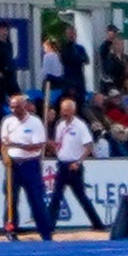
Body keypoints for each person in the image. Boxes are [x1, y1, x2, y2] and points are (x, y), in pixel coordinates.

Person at [0, 89, 53, 239]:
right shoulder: (7, 121)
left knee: (36, 199)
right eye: (12, 107)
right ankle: (11, 229)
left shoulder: (35, 122)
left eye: (18, 107)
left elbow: (37, 145)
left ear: (25, 106)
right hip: (13, 165)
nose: (14, 110)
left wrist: (15, 145)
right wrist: (5, 156)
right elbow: (4, 143)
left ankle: (45, 232)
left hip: (30, 164)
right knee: (11, 199)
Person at [48, 93, 99, 235]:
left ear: (73, 110)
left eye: (66, 110)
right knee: (56, 196)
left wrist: (79, 162)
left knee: (82, 197)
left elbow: (89, 146)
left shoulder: (80, 125)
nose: (63, 113)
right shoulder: (60, 125)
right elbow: (58, 145)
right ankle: (49, 226)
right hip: (62, 164)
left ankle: (97, 223)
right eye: (62, 110)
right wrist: (51, 145)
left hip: (74, 166)